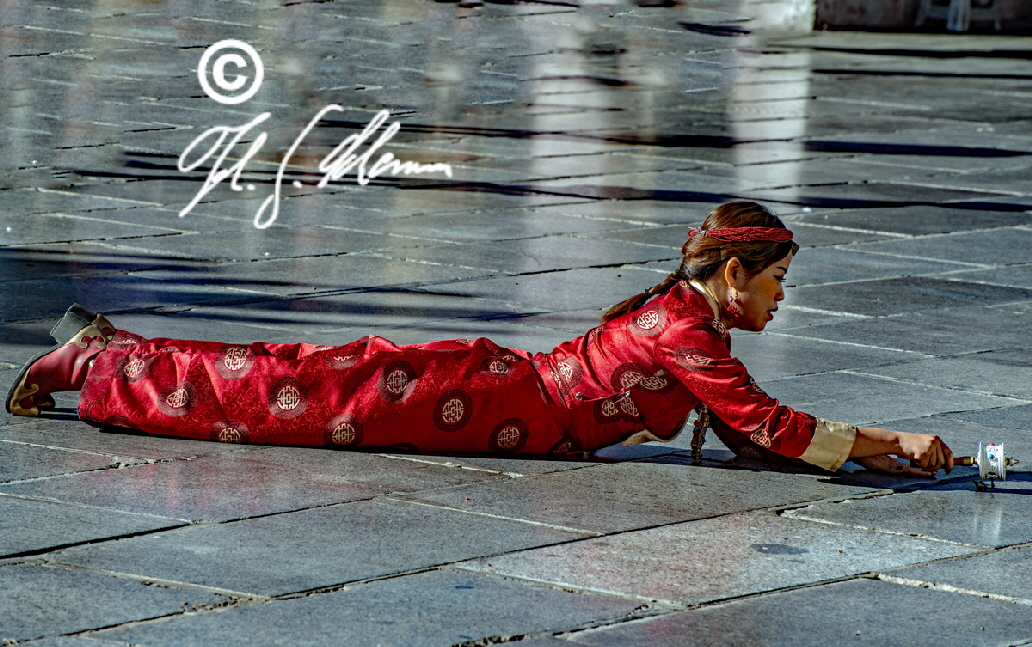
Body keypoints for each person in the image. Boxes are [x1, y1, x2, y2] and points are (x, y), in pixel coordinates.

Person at [5, 201, 953, 476]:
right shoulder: (686, 332)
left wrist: (874, 459)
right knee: (282, 400)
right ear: (736, 274)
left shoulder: (685, 322)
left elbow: (757, 427)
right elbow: (772, 425)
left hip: (488, 393)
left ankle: (106, 350)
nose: (783, 300)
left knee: (295, 378)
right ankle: (101, 362)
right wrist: (892, 440)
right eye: (779, 279)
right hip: (489, 401)